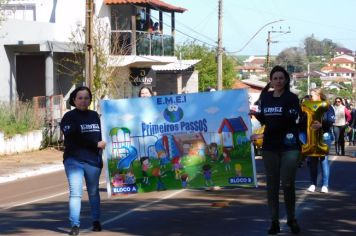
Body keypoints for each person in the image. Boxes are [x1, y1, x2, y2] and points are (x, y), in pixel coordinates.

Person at [250, 65, 301, 234]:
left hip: (289, 147)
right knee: (271, 186)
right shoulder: (265, 97)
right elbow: (266, 120)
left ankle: (292, 219)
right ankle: (274, 222)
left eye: (281, 78)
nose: (278, 81)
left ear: (286, 80)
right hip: (270, 148)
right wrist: (251, 114)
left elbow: (287, 121)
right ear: (271, 81)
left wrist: (263, 135)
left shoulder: (292, 98)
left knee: (287, 183)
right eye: (275, 78)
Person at [60, 86, 106, 236]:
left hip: (93, 161)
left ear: (90, 100)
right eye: (80, 98)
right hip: (74, 160)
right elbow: (74, 137)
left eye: (86, 98)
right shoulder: (69, 117)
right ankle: (74, 225)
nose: (83, 101)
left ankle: (96, 221)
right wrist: (95, 144)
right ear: (74, 100)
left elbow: (103, 134)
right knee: (76, 193)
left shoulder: (95, 116)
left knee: (93, 192)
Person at [303, 88, 335, 194]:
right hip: (311, 137)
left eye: (312, 95)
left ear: (319, 95)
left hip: (324, 136)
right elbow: (302, 120)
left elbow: (331, 120)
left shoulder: (327, 106)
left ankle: (325, 185)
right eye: (310, 95)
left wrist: (322, 125)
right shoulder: (308, 106)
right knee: (312, 162)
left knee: (323, 161)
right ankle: (313, 184)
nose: (311, 97)